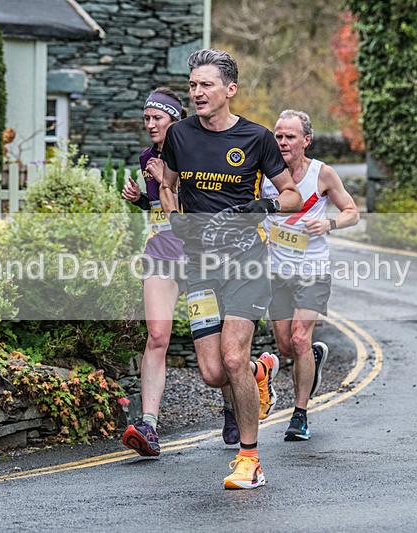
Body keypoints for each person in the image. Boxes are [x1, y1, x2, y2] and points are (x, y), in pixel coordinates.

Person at [159, 49, 302, 489]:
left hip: (246, 262)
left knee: (233, 355)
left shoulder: (256, 138)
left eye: (206, 85)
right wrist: (175, 218)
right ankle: (263, 373)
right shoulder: (178, 136)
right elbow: (167, 185)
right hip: (201, 266)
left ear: (230, 90)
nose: (197, 93)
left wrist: (264, 204)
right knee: (213, 372)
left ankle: (250, 460)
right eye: (193, 86)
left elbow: (293, 196)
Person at [120, 88, 239, 456]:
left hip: (199, 256)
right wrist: (142, 198)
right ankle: (149, 426)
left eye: (157, 118)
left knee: (218, 347)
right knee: (157, 335)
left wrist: (169, 182)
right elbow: (160, 210)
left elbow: (199, 206)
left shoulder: (195, 150)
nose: (150, 124)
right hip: (160, 252)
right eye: (146, 118)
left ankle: (234, 408)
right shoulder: (146, 157)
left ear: (175, 119)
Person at [261, 109, 359, 441]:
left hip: (312, 270)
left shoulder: (322, 174)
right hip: (277, 272)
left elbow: (352, 212)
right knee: (286, 346)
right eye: (278, 135)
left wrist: (328, 223)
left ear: (306, 140)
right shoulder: (265, 175)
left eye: (290, 136)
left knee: (301, 338)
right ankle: (312, 358)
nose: (283, 142)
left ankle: (300, 415)